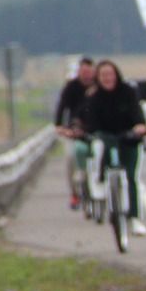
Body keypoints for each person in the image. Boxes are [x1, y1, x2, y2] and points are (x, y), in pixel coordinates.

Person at [78, 58, 146, 235]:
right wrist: (84, 132)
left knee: (131, 177)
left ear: (116, 75)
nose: (107, 78)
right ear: (98, 78)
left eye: (110, 74)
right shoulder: (94, 97)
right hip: (105, 138)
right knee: (98, 149)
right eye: (103, 75)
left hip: (128, 139)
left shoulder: (128, 92)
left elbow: (138, 116)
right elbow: (89, 123)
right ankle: (99, 182)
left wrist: (140, 127)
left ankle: (134, 217)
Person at [53, 57, 95, 210]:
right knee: (71, 157)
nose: (87, 76)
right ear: (79, 72)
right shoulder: (71, 87)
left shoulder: (98, 86)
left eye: (89, 72)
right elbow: (62, 106)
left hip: (93, 129)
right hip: (74, 130)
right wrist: (59, 126)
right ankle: (75, 193)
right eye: (84, 72)